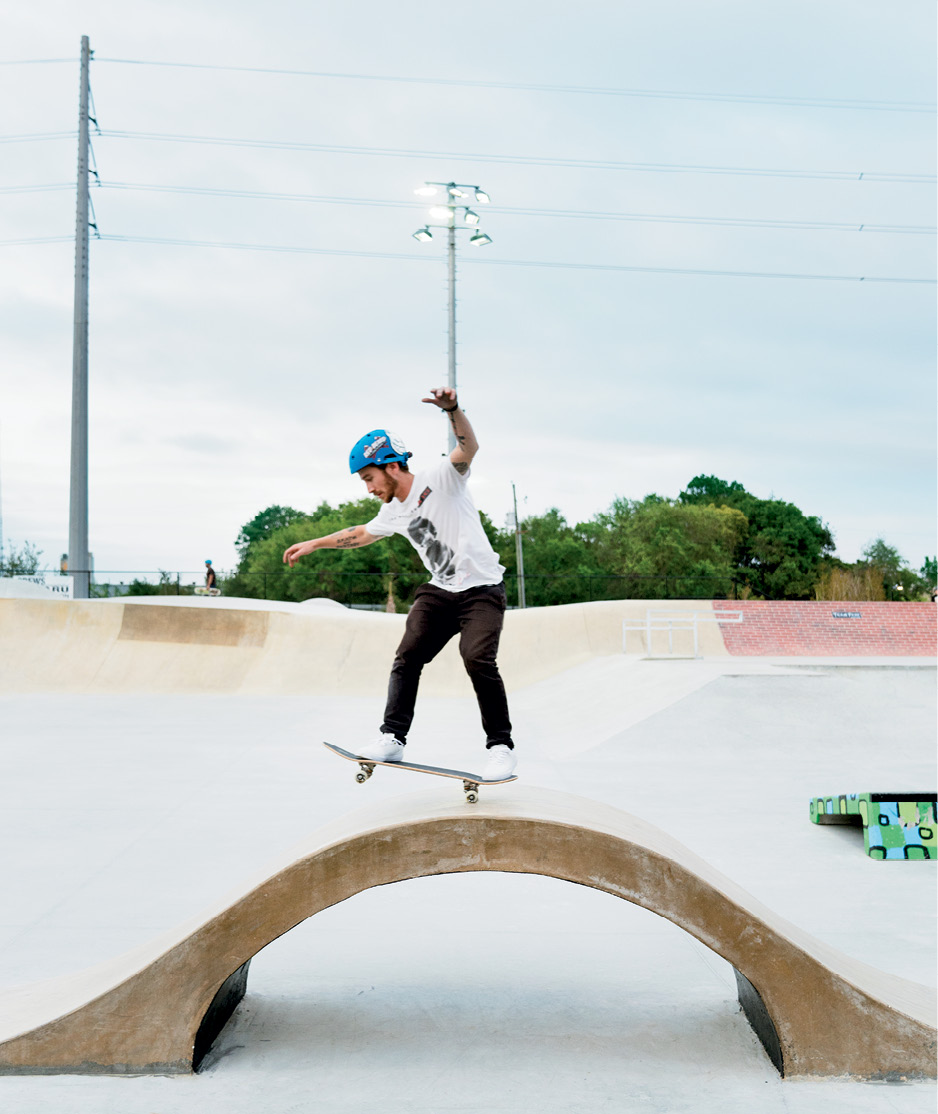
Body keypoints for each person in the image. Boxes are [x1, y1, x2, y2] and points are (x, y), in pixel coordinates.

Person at [283, 387, 517, 781]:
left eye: (369, 478)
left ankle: (500, 748)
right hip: (441, 592)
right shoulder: (391, 512)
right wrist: (316, 543)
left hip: (482, 591)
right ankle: (392, 737)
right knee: (407, 657)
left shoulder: (441, 478)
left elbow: (468, 447)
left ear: (391, 466)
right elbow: (360, 533)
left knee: (477, 658)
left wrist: (453, 410)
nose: (369, 488)